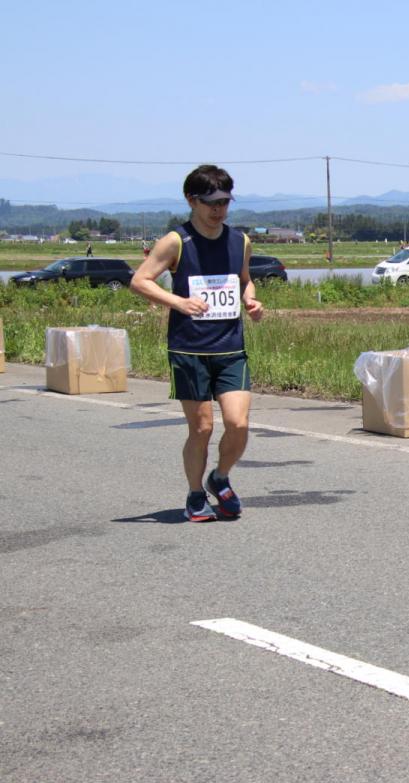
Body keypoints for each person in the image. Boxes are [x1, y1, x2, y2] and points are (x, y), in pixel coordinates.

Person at [130, 165, 264, 522]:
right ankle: (194, 494)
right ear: (191, 201)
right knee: (202, 428)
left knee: (238, 424)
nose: (219, 210)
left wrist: (251, 300)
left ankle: (219, 477)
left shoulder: (240, 241)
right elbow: (140, 280)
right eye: (211, 203)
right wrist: (178, 302)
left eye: (225, 202)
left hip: (230, 348)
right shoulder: (176, 241)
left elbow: (244, 280)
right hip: (189, 349)